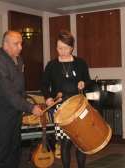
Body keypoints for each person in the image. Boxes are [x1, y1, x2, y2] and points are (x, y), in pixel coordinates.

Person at [0, 30, 43, 168]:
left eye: (21, 43)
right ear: (5, 44)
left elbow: (20, 83)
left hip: (15, 103)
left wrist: (22, 104)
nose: (20, 47)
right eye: (16, 44)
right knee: (3, 142)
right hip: (3, 104)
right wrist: (29, 107)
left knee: (15, 142)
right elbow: (9, 92)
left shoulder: (18, 58)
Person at [40, 30, 92, 168]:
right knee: (65, 141)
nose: (62, 51)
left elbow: (89, 81)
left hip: (78, 107)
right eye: (59, 48)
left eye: (65, 48)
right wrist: (48, 98)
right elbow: (44, 84)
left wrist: (84, 84)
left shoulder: (80, 62)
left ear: (72, 47)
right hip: (61, 108)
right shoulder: (52, 65)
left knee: (80, 141)